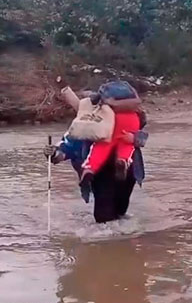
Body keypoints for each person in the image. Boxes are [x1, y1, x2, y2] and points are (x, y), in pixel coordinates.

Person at [45, 85, 148, 223]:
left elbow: (142, 136)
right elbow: (65, 148)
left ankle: (111, 238)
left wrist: (135, 139)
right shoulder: (87, 126)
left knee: (111, 214)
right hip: (114, 170)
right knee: (112, 214)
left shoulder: (90, 125)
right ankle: (120, 237)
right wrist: (53, 153)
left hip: (117, 169)